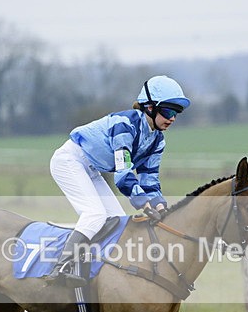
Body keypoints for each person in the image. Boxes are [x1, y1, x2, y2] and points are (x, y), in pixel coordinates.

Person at [45, 75, 191, 286]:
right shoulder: (125, 124)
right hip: (70, 160)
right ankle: (60, 268)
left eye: (176, 114)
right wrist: (144, 203)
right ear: (149, 107)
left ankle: (95, 267)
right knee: (95, 214)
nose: (172, 119)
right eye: (168, 111)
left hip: (92, 168)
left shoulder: (158, 140)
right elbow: (123, 176)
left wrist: (160, 205)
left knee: (118, 220)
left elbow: (150, 180)